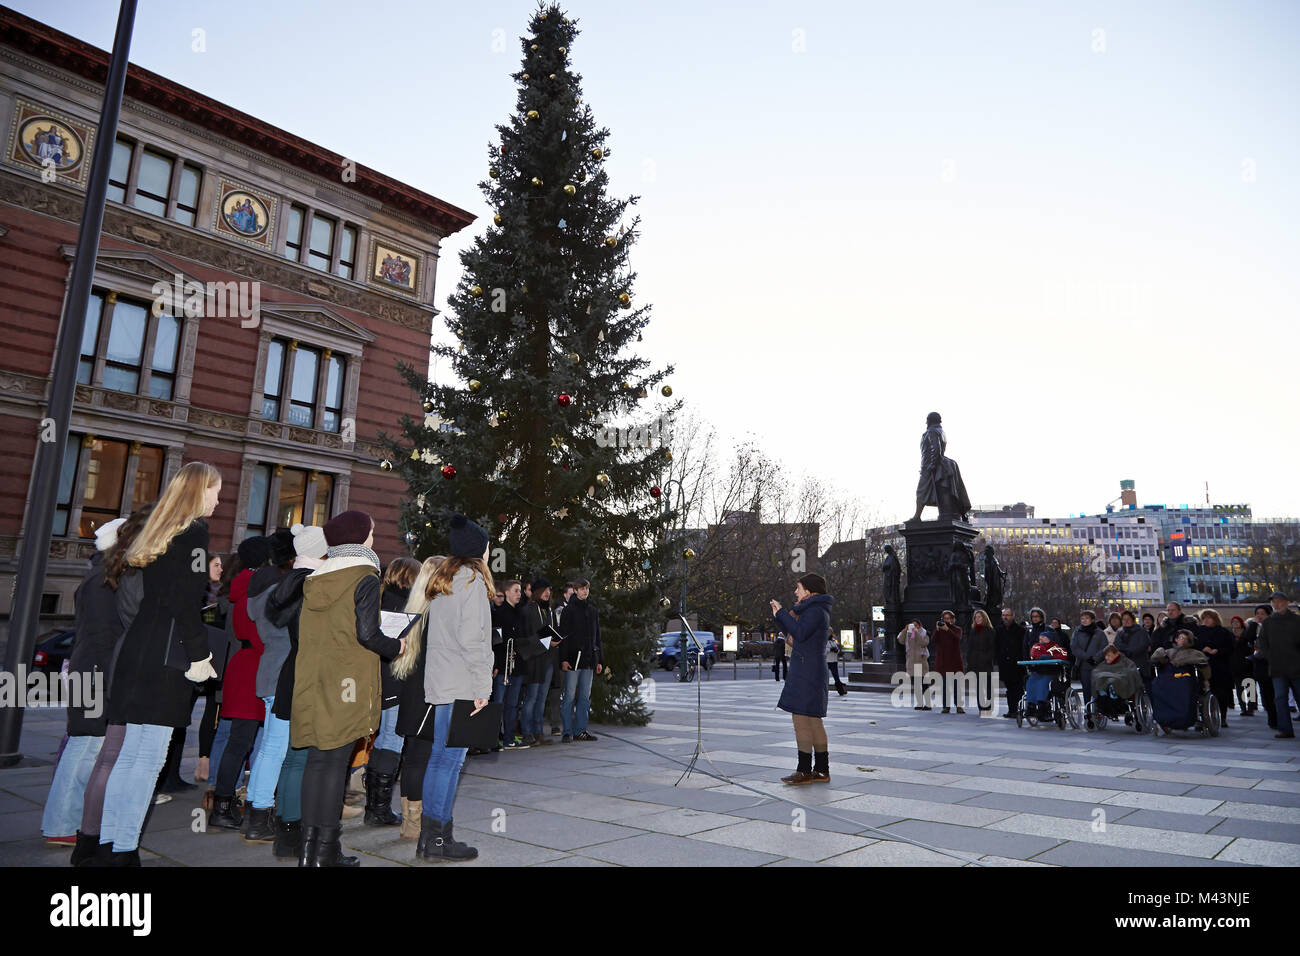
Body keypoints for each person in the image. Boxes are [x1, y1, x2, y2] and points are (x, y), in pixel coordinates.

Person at [98, 462, 221, 865]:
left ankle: (109, 844)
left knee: (129, 755)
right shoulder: (196, 533)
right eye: (214, 490)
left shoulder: (159, 531)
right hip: (169, 653)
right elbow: (187, 601)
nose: (218, 499)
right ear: (199, 492)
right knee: (147, 759)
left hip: (139, 648)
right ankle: (125, 850)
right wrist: (200, 655)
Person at [291, 510, 405, 867]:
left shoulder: (314, 577)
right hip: (348, 683)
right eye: (371, 533)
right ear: (359, 539)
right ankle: (324, 852)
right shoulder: (365, 576)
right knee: (335, 765)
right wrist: (396, 647)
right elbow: (367, 634)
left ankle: (311, 852)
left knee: (317, 763)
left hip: (313, 678)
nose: (374, 539)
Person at [41, 517, 126, 852]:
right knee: (86, 747)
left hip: (87, 667)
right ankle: (63, 823)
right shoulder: (104, 581)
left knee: (85, 746)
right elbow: (107, 635)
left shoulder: (95, 577)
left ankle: (65, 821)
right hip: (95, 671)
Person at [415, 515, 494, 861]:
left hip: (443, 682)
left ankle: (433, 837)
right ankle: (437, 840)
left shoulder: (446, 580)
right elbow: (473, 640)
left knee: (440, 759)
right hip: (461, 683)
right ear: (479, 552)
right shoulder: (472, 581)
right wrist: (483, 685)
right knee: (449, 762)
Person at [260, 524, 329, 859]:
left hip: (292, 673)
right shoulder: (314, 585)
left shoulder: (290, 582)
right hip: (308, 676)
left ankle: (286, 832)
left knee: (291, 758)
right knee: (301, 757)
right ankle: (297, 830)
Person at [209, 532, 279, 831]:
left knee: (240, 742)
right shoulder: (262, 589)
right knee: (251, 742)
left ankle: (223, 803)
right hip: (258, 666)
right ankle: (233, 805)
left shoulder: (240, 588)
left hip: (243, 665)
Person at [237, 529, 297, 842]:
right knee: (275, 748)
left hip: (270, 668)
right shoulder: (284, 589)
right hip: (285, 670)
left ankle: (255, 812)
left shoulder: (259, 587)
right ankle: (261, 815)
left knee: (268, 747)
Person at [365, 556, 421, 825]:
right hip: (395, 677)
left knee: (384, 738)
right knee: (392, 738)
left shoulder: (381, 597)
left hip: (381, 675)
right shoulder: (403, 604)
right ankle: (379, 810)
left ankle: (374, 807)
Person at [393, 556, 445, 840]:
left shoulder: (414, 607)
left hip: (412, 690)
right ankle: (416, 822)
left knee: (413, 757)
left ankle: (409, 824)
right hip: (430, 691)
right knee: (425, 758)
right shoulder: (437, 611)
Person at [770, 573, 834, 784]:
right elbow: (792, 632)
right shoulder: (813, 610)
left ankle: (806, 769)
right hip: (807, 669)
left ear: (809, 591)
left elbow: (800, 632)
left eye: (798, 588)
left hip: (808, 671)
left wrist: (782, 614)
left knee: (805, 719)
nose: (795, 592)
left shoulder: (815, 611)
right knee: (810, 719)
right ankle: (819, 769)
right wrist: (779, 615)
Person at [558, 578, 603, 742]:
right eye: (581, 589)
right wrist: (563, 659)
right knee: (569, 696)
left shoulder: (592, 610)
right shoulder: (568, 610)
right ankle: (567, 732)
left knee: (585, 697)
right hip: (573, 660)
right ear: (575, 591)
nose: (585, 591)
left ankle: (580, 731)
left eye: (587, 589)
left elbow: (597, 637)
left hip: (589, 660)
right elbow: (563, 636)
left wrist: (599, 660)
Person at [1257, 592, 1300, 740]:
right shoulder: (1269, 622)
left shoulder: (1296, 620)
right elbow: (1262, 642)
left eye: (1279, 601)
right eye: (1274, 602)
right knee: (1280, 698)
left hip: (1296, 666)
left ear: (1287, 602)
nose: (1276, 604)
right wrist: (1270, 656)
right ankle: (1285, 729)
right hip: (1277, 667)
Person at [520, 579, 558, 745]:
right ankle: (527, 732)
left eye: (549, 590)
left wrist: (555, 640)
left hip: (547, 660)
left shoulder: (549, 610)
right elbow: (526, 637)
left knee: (542, 698)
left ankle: (538, 732)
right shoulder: (527, 611)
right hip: (533, 660)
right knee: (532, 697)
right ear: (536, 592)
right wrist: (544, 641)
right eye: (544, 590)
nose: (547, 593)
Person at [495, 579, 529, 749]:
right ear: (507, 592)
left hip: (517, 666)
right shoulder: (499, 613)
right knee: (498, 703)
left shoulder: (520, 613)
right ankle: (494, 738)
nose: (519, 594)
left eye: (520, 591)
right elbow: (496, 641)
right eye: (516, 590)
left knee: (512, 703)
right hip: (503, 665)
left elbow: (523, 637)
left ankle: (509, 737)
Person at [1195, 609, 1235, 729]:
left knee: (1220, 693)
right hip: (1202, 666)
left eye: (1209, 617)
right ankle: (1201, 719)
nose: (1206, 620)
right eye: (1204, 618)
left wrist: (1216, 651)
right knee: (1200, 693)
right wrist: (1203, 650)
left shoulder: (1224, 632)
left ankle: (1221, 717)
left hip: (1219, 667)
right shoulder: (1198, 632)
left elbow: (1231, 647)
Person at [1247, 605, 1278, 728]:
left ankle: (1279, 717)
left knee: (1277, 694)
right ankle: (1272, 719)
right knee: (1266, 693)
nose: (1259, 616)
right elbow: (1248, 638)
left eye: (1262, 613)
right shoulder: (1256, 627)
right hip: (1260, 664)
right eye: (1257, 613)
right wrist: (1254, 624)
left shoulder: (1274, 627)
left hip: (1274, 663)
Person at [1070, 611, 1108, 706]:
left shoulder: (1099, 633)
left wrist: (1096, 658)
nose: (1084, 620)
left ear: (1092, 619)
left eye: (1087, 618)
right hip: (1084, 665)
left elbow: (1104, 647)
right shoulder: (1077, 631)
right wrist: (1087, 657)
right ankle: (1089, 710)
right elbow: (1074, 647)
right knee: (1086, 688)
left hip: (1098, 665)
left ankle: (1099, 708)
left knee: (1098, 688)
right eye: (1082, 618)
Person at [995, 607, 1026, 718]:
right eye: (1004, 615)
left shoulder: (1020, 630)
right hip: (1005, 664)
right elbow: (997, 646)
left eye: (1007, 615)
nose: (1005, 617)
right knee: (1009, 689)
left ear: (1012, 616)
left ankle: (1019, 710)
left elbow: (1023, 647)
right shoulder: (999, 630)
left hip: (1017, 664)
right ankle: (1011, 710)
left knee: (1018, 689)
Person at [966, 609, 997, 715]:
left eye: (980, 617)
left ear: (984, 618)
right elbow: (969, 647)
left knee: (987, 686)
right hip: (975, 662)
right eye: (976, 617)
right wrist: (969, 660)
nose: (978, 619)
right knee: (979, 687)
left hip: (986, 662)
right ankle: (981, 707)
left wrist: (986, 658)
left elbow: (992, 648)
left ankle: (988, 707)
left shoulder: (990, 630)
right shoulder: (973, 630)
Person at [932, 610, 964, 713]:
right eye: (945, 619)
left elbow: (957, 638)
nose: (947, 621)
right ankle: (946, 706)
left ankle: (959, 706)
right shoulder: (939, 630)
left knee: (956, 685)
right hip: (943, 661)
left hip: (954, 661)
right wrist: (937, 630)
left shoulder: (957, 629)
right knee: (945, 686)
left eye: (949, 618)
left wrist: (947, 630)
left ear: (953, 619)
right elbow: (933, 640)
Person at [1114, 610, 1153, 693]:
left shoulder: (1141, 631)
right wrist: (1125, 651)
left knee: (1144, 688)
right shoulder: (1120, 633)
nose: (1126, 621)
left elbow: (1143, 645)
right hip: (1125, 665)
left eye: (1128, 619)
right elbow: (1117, 644)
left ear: (1133, 620)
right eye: (1124, 619)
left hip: (1140, 664)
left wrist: (1130, 651)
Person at [898, 620, 930, 710]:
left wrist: (917, 633)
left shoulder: (924, 633)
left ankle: (928, 704)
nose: (914, 627)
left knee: (924, 684)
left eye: (916, 625)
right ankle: (919, 703)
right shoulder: (908, 634)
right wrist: (905, 630)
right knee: (916, 684)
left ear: (920, 626)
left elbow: (924, 643)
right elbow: (901, 640)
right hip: (911, 662)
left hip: (921, 661)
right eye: (913, 625)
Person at [1229, 615, 1257, 717]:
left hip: (1247, 663)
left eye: (1237, 621)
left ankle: (1251, 708)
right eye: (1233, 621)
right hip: (1235, 664)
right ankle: (1243, 708)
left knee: (1250, 687)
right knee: (1239, 688)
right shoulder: (1230, 635)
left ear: (1241, 623)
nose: (1235, 623)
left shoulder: (1247, 634)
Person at [826, 630, 847, 696]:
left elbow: (837, 649)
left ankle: (841, 690)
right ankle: (823, 691)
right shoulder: (823, 640)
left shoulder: (833, 640)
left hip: (834, 661)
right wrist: (830, 650)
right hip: (826, 661)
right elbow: (822, 649)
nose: (829, 633)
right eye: (828, 631)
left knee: (836, 677)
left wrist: (836, 650)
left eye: (830, 632)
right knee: (824, 677)